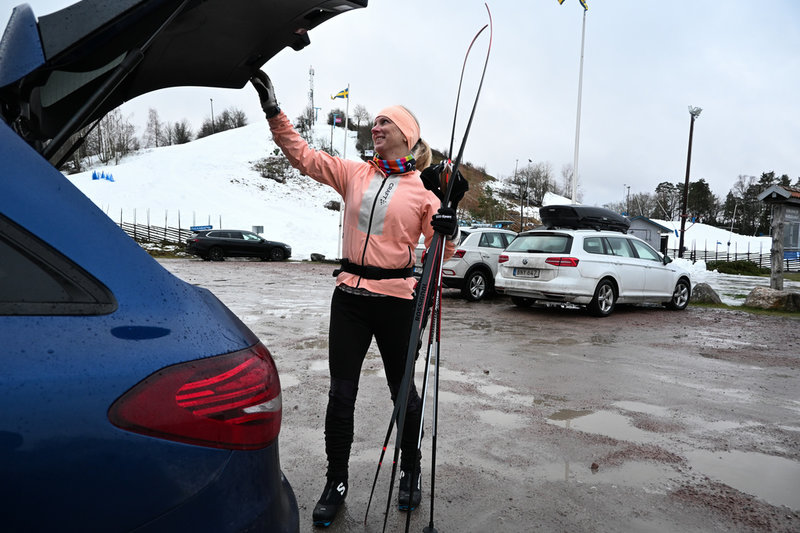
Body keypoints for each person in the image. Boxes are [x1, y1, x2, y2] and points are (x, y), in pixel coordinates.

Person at [249, 71, 467, 527]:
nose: (376, 126)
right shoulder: (354, 173)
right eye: (376, 121)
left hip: (397, 303)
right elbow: (304, 156)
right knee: (340, 394)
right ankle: (337, 481)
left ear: (406, 136)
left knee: (402, 392)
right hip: (349, 297)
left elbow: (441, 252)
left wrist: (449, 227)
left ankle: (410, 471)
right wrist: (273, 111)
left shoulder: (423, 192)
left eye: (385, 122)